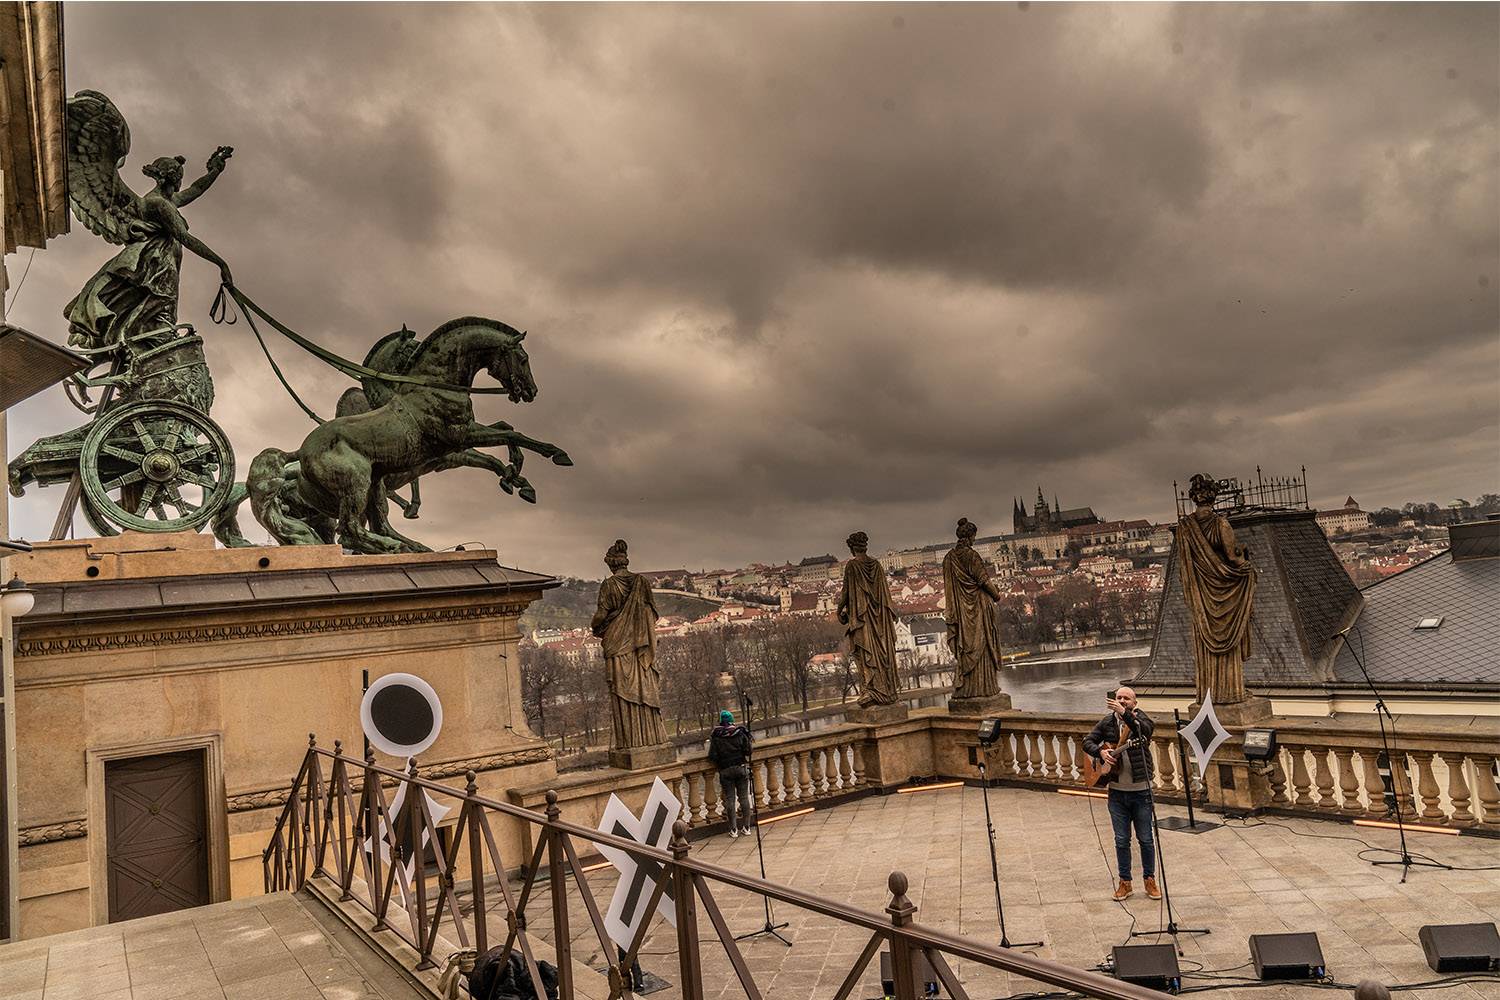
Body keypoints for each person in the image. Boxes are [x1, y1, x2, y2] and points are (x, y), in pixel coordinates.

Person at [1083, 686, 1160, 901]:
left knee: (1145, 839)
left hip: (1141, 791)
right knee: (1121, 839)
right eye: (1118, 698)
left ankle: (1150, 880)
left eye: (1126, 698)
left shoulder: (1139, 719)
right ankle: (1125, 883)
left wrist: (1125, 714)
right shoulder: (1107, 723)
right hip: (1117, 793)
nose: (1122, 700)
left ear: (1134, 703)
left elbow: (1146, 731)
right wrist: (1101, 751)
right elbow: (1087, 741)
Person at [591, 540, 668, 752]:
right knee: (643, 685)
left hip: (618, 645)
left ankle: (630, 741)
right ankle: (650, 737)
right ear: (625, 562)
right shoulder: (641, 582)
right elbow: (650, 614)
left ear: (610, 565)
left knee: (622, 690)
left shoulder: (609, 585)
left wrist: (594, 625)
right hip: (638, 645)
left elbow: (601, 615)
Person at [708, 710, 754, 837]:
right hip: (740, 767)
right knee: (744, 798)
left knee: (730, 800)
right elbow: (748, 751)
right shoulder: (740, 733)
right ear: (732, 720)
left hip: (726, 770)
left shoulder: (716, 736)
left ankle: (733, 830)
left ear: (721, 721)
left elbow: (712, 756)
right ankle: (747, 827)